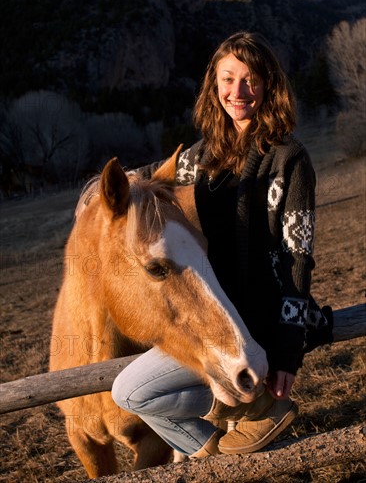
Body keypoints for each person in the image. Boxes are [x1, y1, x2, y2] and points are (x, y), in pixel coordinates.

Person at [111, 31, 333, 458]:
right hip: (212, 319)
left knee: (136, 392)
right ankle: (225, 452)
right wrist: (96, 197)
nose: (238, 92)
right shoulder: (202, 156)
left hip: (260, 324)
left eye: (250, 80)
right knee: (131, 393)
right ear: (214, 85)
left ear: (269, 85)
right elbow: (148, 177)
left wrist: (287, 353)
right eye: (228, 79)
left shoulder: (290, 159)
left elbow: (298, 259)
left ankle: (258, 408)